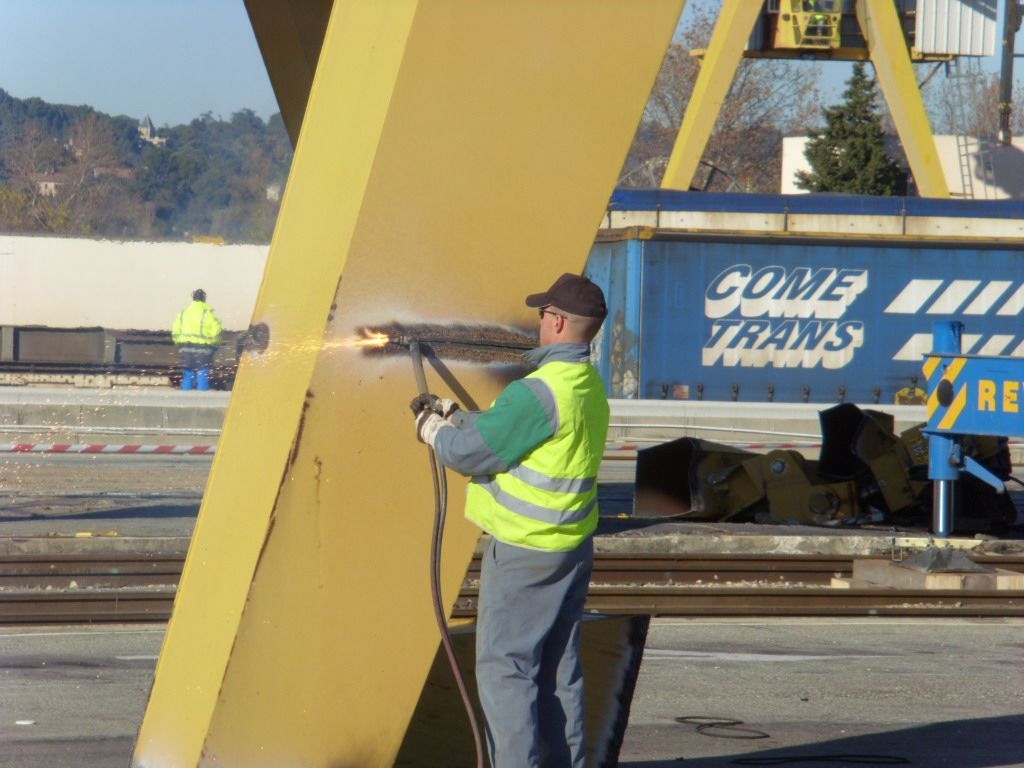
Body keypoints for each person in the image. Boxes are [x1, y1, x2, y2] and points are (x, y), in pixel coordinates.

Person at [411, 273, 610, 767]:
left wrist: (432, 430)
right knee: (558, 671)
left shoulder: (539, 392)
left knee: (506, 670)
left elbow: (472, 456)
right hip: (570, 546)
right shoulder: (584, 385)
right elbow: (513, 433)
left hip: (526, 552)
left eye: (544, 314)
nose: (538, 320)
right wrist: (454, 413)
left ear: (559, 322)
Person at [171, 288, 223, 391]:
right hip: (204, 349)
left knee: (189, 372)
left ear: (193, 298)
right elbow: (216, 331)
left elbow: (175, 330)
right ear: (204, 299)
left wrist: (179, 342)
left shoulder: (183, 313)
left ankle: (186, 398)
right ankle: (202, 399)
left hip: (186, 347)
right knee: (203, 373)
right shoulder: (208, 313)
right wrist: (214, 344)